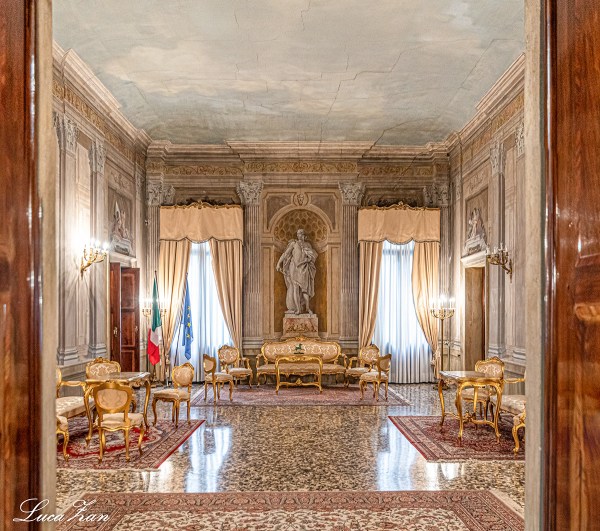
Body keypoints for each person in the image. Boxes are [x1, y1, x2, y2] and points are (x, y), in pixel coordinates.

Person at [276, 228, 318, 315]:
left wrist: (308, 259)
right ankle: (298, 309)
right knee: (295, 288)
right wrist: (278, 263)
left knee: (305, 289)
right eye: (298, 233)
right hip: (294, 268)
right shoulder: (294, 244)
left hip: (304, 267)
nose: (299, 235)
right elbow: (285, 254)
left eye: (301, 233)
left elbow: (312, 257)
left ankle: (307, 308)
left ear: (304, 235)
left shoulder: (308, 245)